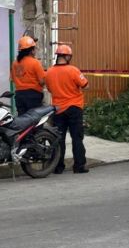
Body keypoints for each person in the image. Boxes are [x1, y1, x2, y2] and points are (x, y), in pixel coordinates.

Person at [44, 44, 90, 174]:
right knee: (77, 138)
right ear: (67, 56)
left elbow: (49, 89)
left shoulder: (49, 72)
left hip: (58, 110)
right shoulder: (73, 70)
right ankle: (79, 166)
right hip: (74, 108)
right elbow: (85, 85)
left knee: (59, 139)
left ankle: (58, 167)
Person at [11, 36, 45, 115]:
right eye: (34, 48)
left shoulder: (15, 63)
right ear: (31, 51)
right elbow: (42, 81)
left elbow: (13, 79)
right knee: (35, 120)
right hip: (33, 95)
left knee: (23, 121)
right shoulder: (35, 63)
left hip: (19, 95)